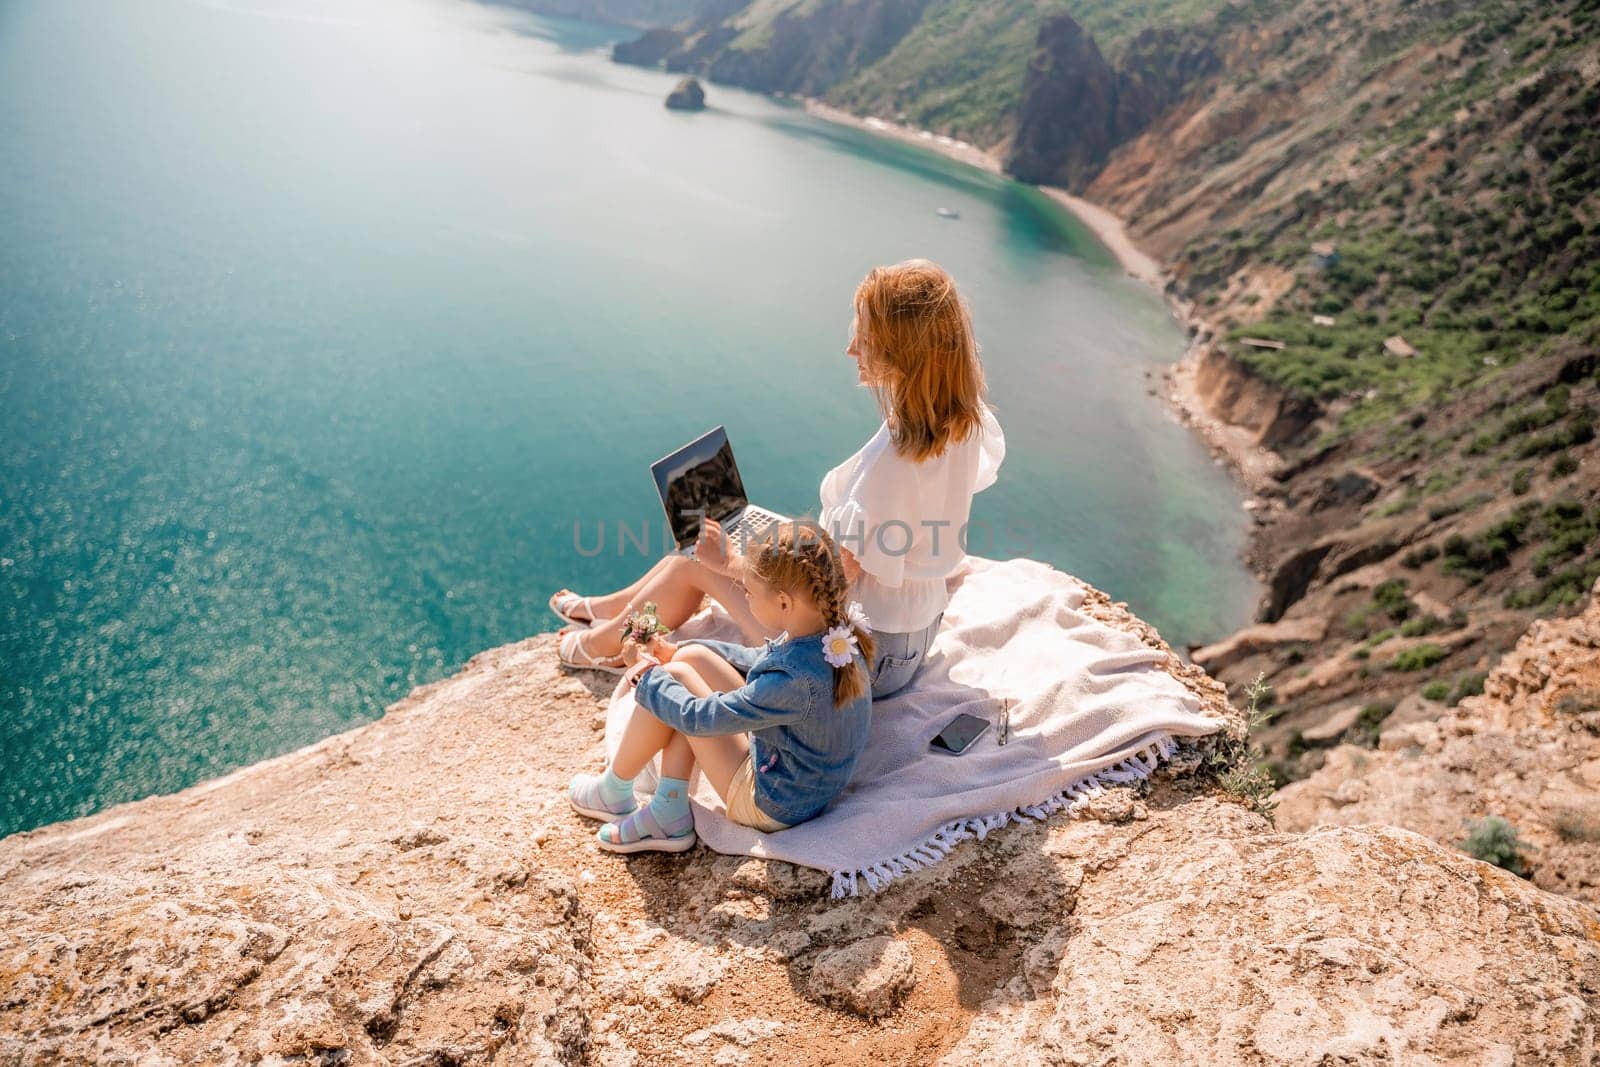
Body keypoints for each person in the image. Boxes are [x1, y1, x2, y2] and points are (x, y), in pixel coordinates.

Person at [551, 258, 1004, 699]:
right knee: (701, 548)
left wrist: (732, 562)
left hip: (862, 654)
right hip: (916, 629)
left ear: (900, 351)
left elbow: (826, 584)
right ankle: (609, 610)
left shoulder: (894, 465)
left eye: (865, 337)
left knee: (695, 557)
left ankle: (599, 647)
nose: (851, 349)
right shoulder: (965, 421)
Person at [567, 521, 874, 852]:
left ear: (783, 601)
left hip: (772, 802)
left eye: (748, 593)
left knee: (674, 680)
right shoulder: (833, 635)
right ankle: (668, 808)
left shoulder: (794, 681)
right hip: (800, 776)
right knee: (693, 657)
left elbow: (699, 718)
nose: (745, 597)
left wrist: (644, 672)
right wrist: (675, 651)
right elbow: (760, 658)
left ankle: (614, 791)